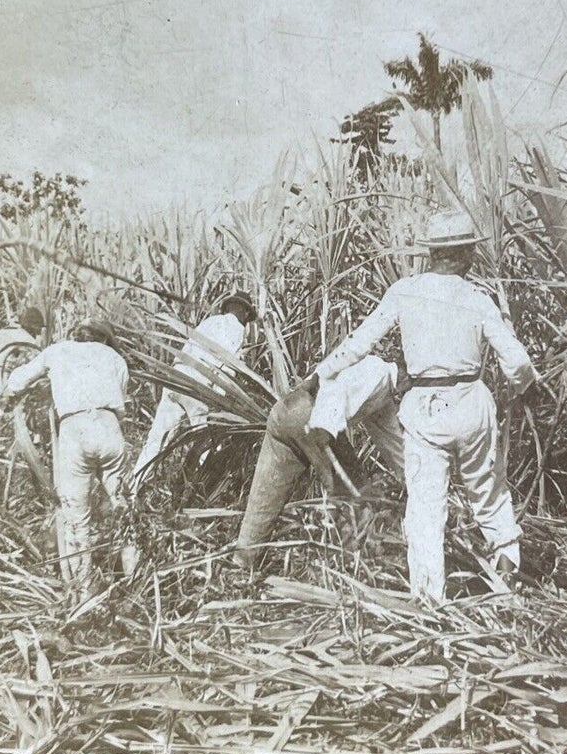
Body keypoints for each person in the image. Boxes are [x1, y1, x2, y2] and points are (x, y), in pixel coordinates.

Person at [315, 210, 536, 604]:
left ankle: (430, 601)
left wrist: (322, 373)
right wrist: (523, 389)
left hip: (425, 407)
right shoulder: (477, 298)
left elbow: (360, 341)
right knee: (489, 494)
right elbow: (516, 362)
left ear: (431, 253)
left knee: (425, 506)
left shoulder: (404, 291)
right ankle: (507, 583)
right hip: (471, 402)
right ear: (467, 252)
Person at [0, 318, 131, 607]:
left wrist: (8, 395)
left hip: (75, 429)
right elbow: (121, 393)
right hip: (109, 427)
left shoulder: (58, 350)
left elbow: (19, 379)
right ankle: (135, 581)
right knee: (123, 506)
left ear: (77, 336)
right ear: (104, 339)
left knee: (76, 515)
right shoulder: (114, 356)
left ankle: (82, 591)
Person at [234, 355, 405, 570]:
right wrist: (324, 428)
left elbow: (393, 445)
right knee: (353, 494)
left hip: (284, 412)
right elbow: (333, 386)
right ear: (407, 371)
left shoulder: (384, 395)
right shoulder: (377, 371)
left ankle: (242, 561)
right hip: (311, 412)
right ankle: (350, 566)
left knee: (267, 492)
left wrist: (410, 479)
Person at [131, 292, 258, 487]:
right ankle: (202, 491)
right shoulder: (237, 329)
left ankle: (132, 488)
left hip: (177, 378)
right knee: (203, 441)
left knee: (157, 439)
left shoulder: (209, 322)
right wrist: (221, 399)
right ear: (246, 313)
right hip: (197, 385)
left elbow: (187, 349)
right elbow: (227, 364)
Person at [0, 305, 47, 448]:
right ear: (35, 328)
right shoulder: (27, 340)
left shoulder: (0, 333)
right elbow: (35, 367)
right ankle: (24, 446)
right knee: (21, 411)